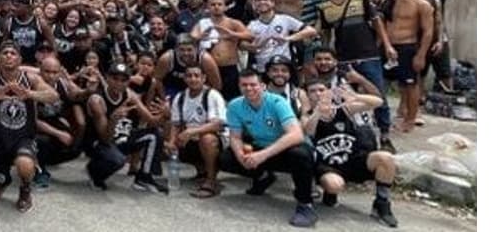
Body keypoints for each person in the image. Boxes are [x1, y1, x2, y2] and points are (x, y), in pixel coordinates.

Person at [220, 70, 318, 228]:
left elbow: (296, 135)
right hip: (261, 147)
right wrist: (240, 156)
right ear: (239, 86)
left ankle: (305, 204)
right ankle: (263, 176)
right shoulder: (235, 105)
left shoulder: (277, 102)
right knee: (227, 158)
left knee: (300, 154)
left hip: (286, 147)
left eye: (253, 85)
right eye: (244, 85)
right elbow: (235, 137)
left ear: (263, 86)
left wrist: (262, 156)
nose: (249, 89)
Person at [0, 41, 59, 212]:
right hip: (0, 141)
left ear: (20, 59)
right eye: (5, 53)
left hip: (23, 138)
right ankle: (0, 175)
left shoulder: (30, 78)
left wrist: (30, 94)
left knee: (24, 164)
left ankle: (25, 189)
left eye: (13, 53)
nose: (9, 56)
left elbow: (53, 95)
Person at [315, 0, 395, 152]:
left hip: (369, 55)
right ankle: (354, 131)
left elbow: (377, 22)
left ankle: (384, 135)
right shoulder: (324, 7)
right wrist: (327, 55)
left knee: (378, 94)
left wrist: (388, 45)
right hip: (343, 58)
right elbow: (326, 33)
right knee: (345, 95)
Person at [303, 79, 399, 227]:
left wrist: (355, 97)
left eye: (321, 90)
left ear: (329, 92)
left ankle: (382, 204)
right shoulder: (307, 115)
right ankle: (330, 193)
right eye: (313, 91)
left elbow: (378, 102)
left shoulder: (344, 109)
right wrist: (318, 112)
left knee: (386, 158)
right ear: (308, 95)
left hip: (354, 159)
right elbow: (308, 131)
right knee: (334, 185)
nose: (318, 94)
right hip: (328, 165)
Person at [85, 62, 168, 193]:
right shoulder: (97, 100)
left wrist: (165, 115)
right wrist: (113, 119)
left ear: (128, 81)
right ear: (107, 78)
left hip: (119, 138)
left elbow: (152, 122)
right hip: (98, 142)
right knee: (117, 159)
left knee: (155, 134)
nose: (119, 83)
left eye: (123, 80)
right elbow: (105, 139)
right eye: (115, 79)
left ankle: (144, 178)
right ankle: (95, 173)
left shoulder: (130, 95)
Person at [381, 0, 433, 133]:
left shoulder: (422, 4)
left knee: (410, 85)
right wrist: (386, 45)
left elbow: (428, 31)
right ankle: (391, 114)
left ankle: (410, 119)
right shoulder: (391, 0)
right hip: (389, 47)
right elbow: (383, 23)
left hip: (408, 47)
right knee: (388, 83)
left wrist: (421, 55)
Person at [168, 63, 227, 199]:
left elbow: (218, 125)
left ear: (204, 78)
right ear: (184, 78)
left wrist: (192, 132)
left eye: (196, 76)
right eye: (189, 76)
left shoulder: (212, 95)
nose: (193, 79)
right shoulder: (180, 97)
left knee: (207, 139)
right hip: (192, 138)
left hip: (216, 139)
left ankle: (211, 180)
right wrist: (171, 142)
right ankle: (202, 171)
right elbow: (175, 124)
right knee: (171, 140)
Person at [33, 56, 86, 188]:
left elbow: (78, 95)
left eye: (54, 72)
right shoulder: (33, 86)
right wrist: (58, 133)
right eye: (47, 71)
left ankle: (47, 160)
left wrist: (89, 89)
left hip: (54, 121)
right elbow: (32, 120)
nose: (51, 76)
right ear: (40, 71)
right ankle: (39, 171)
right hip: (34, 126)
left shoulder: (62, 84)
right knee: (42, 141)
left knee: (76, 148)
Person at [192, 0, 252, 99]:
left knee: (232, 99)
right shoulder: (202, 23)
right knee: (211, 98)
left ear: (225, 7)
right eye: (213, 4)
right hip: (209, 68)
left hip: (230, 67)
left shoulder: (233, 22)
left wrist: (232, 34)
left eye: (219, 4)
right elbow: (191, 37)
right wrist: (200, 36)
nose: (216, 7)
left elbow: (250, 35)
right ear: (207, 7)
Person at [245, 0, 318, 74]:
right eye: (258, 0)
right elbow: (244, 45)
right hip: (262, 67)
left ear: (272, 3)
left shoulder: (284, 19)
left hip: (284, 66)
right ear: (254, 4)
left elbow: (311, 31)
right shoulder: (251, 25)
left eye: (265, 0)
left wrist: (288, 38)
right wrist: (258, 45)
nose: (262, 2)